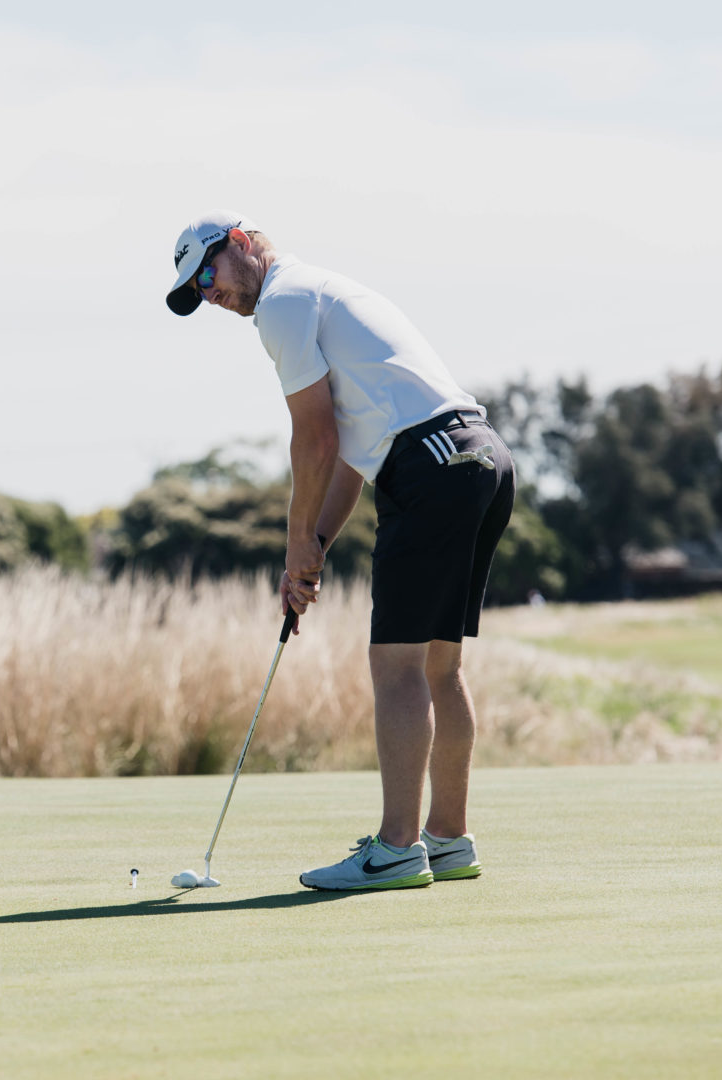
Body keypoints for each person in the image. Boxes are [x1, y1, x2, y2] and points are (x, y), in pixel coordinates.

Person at [164, 211, 515, 891]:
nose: (211, 295)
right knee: (440, 667)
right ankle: (447, 841)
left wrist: (295, 541)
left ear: (240, 244)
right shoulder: (322, 292)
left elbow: (315, 438)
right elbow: (352, 457)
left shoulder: (282, 301)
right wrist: (316, 546)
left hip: (430, 466)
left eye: (208, 275)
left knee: (397, 667)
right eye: (198, 292)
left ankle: (397, 849)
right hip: (479, 457)